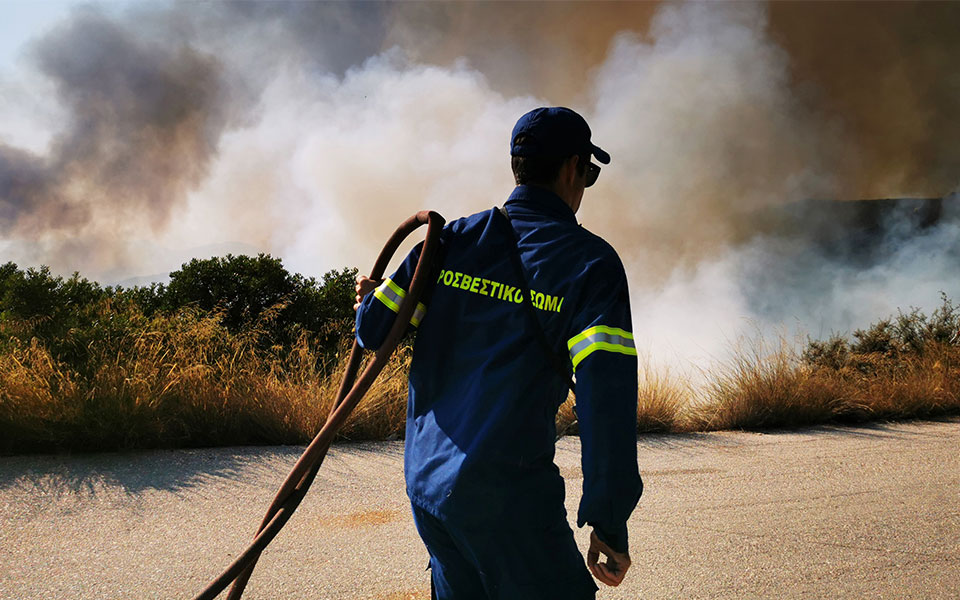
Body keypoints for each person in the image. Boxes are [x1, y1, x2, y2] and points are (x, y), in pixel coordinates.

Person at [354, 107, 642, 599]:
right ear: (573, 168)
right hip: (509, 498)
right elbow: (606, 401)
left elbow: (372, 331)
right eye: (589, 174)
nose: (585, 184)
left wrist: (370, 298)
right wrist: (609, 519)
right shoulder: (591, 264)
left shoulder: (449, 242)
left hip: (429, 489)